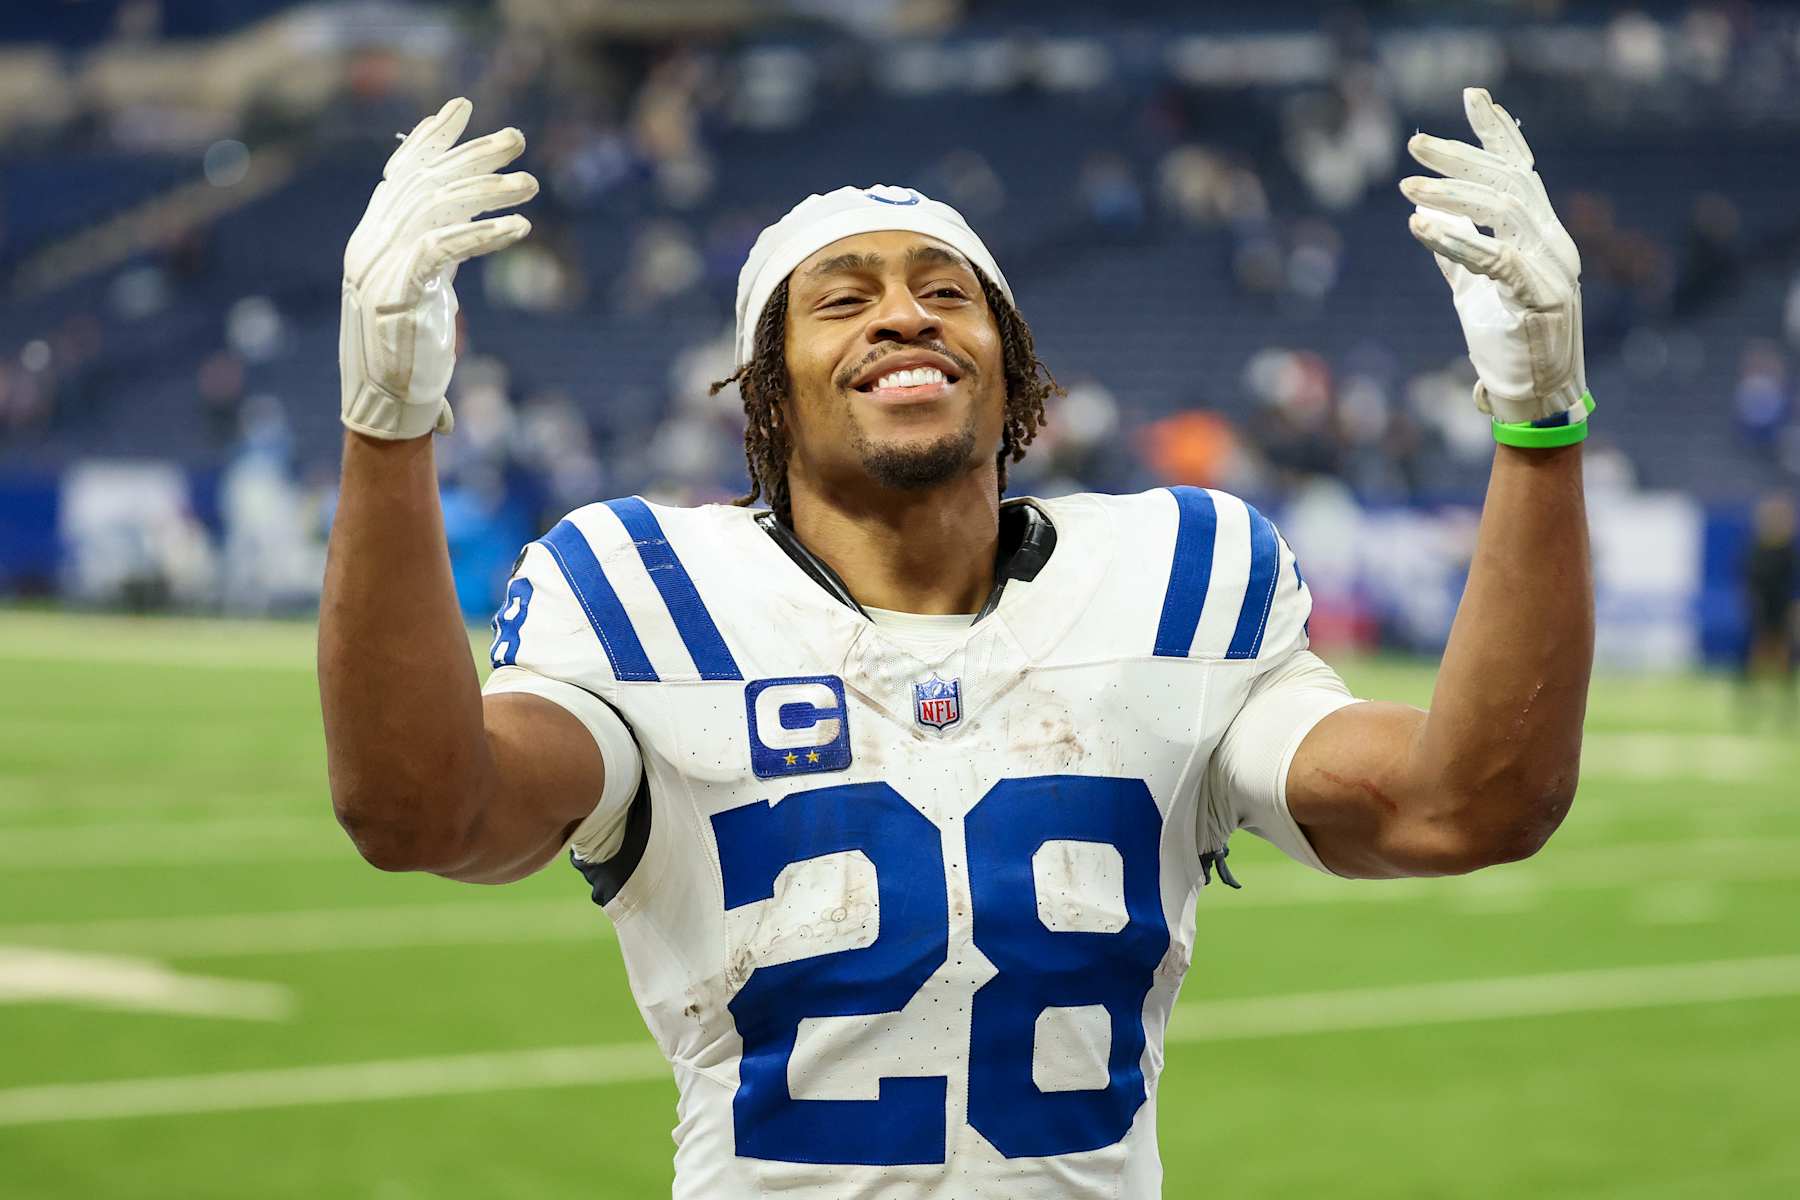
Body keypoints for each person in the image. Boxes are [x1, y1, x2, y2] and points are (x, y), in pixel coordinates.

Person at [319, 89, 1594, 1198]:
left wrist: (1539, 422)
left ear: (1012, 363)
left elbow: (1466, 807)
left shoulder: (1175, 581)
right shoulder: (647, 592)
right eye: (844, 298)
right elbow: (425, 811)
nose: (904, 317)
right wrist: (389, 425)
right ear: (768, 390)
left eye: (945, 292)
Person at [1741, 493, 1798, 722]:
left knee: (1785, 655)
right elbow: (1750, 580)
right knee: (1759, 654)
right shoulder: (1757, 549)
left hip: (1782, 608)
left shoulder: (1789, 550)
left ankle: (1786, 704)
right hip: (1764, 608)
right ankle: (1750, 703)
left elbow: (1792, 582)